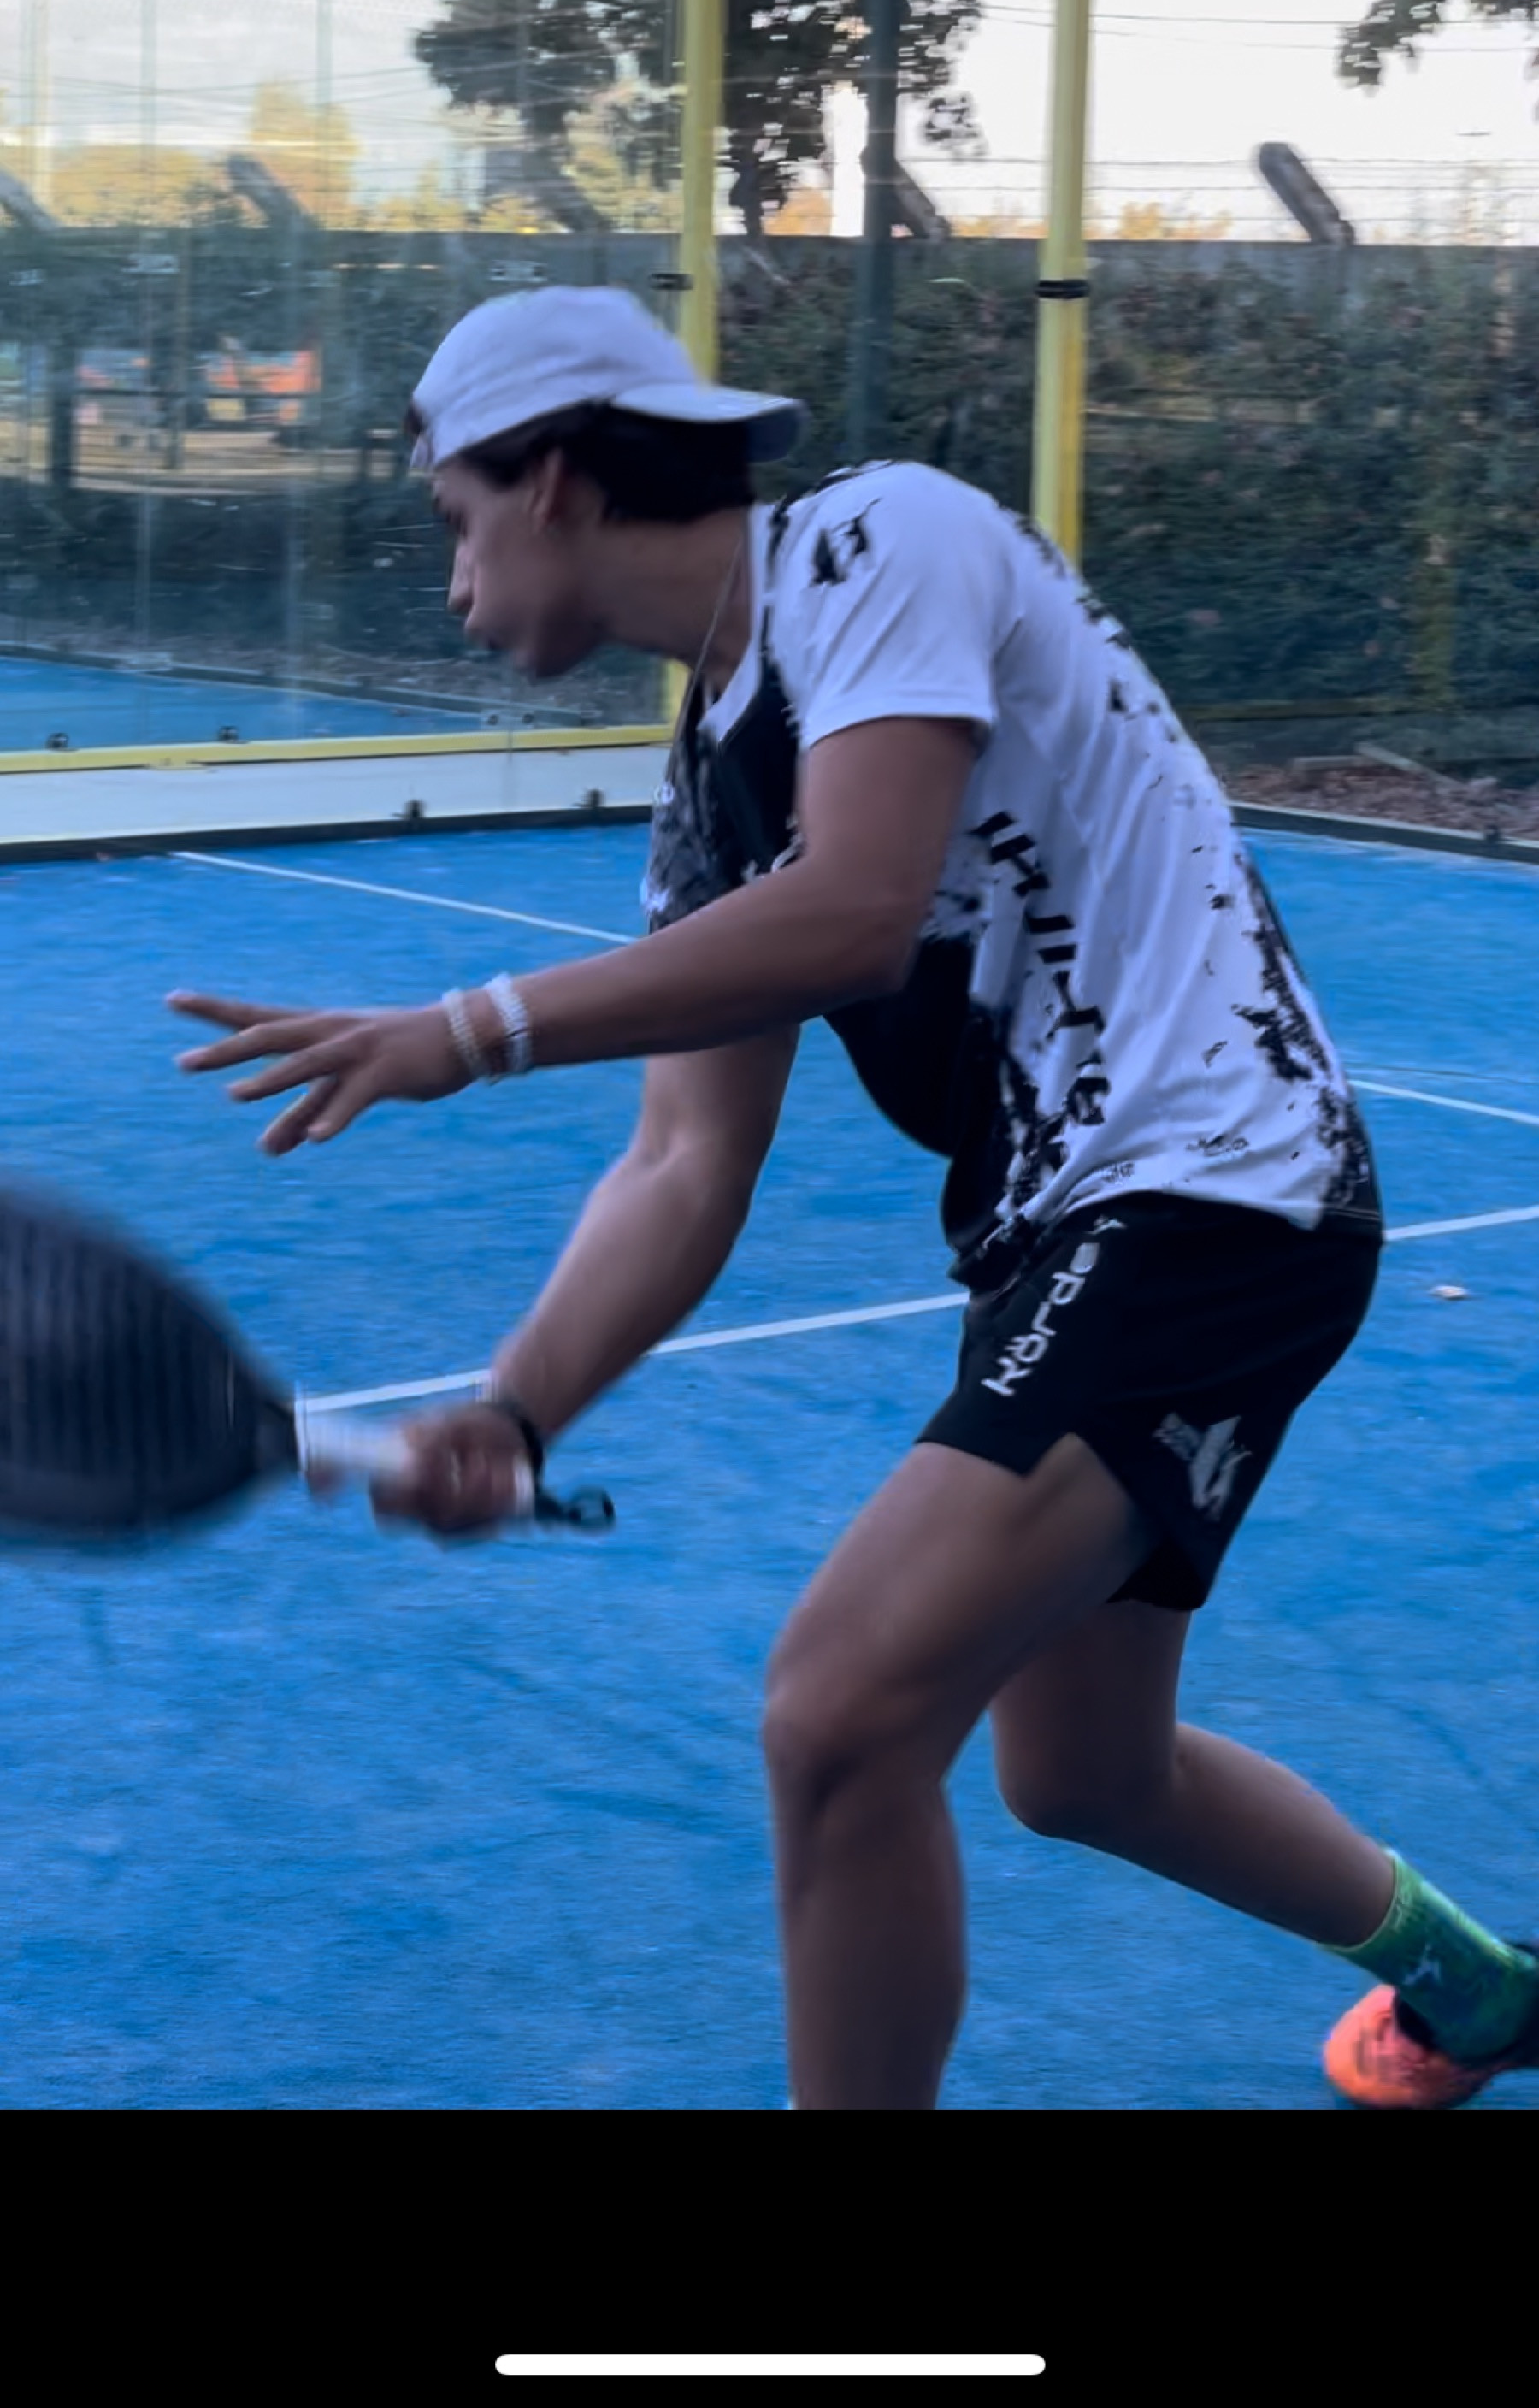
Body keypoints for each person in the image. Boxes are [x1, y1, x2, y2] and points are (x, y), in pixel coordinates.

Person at [170, 286, 1539, 2114]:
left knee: (838, 1714)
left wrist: (469, 1028)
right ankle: (1482, 1989)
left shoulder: (878, 538)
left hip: (1216, 1185)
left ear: (553, 477)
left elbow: (858, 910)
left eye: (455, 517)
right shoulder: (707, 793)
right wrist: (515, 1410)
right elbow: (684, 1162)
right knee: (1084, 1772)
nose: (453, 581)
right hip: (1069, 1235)